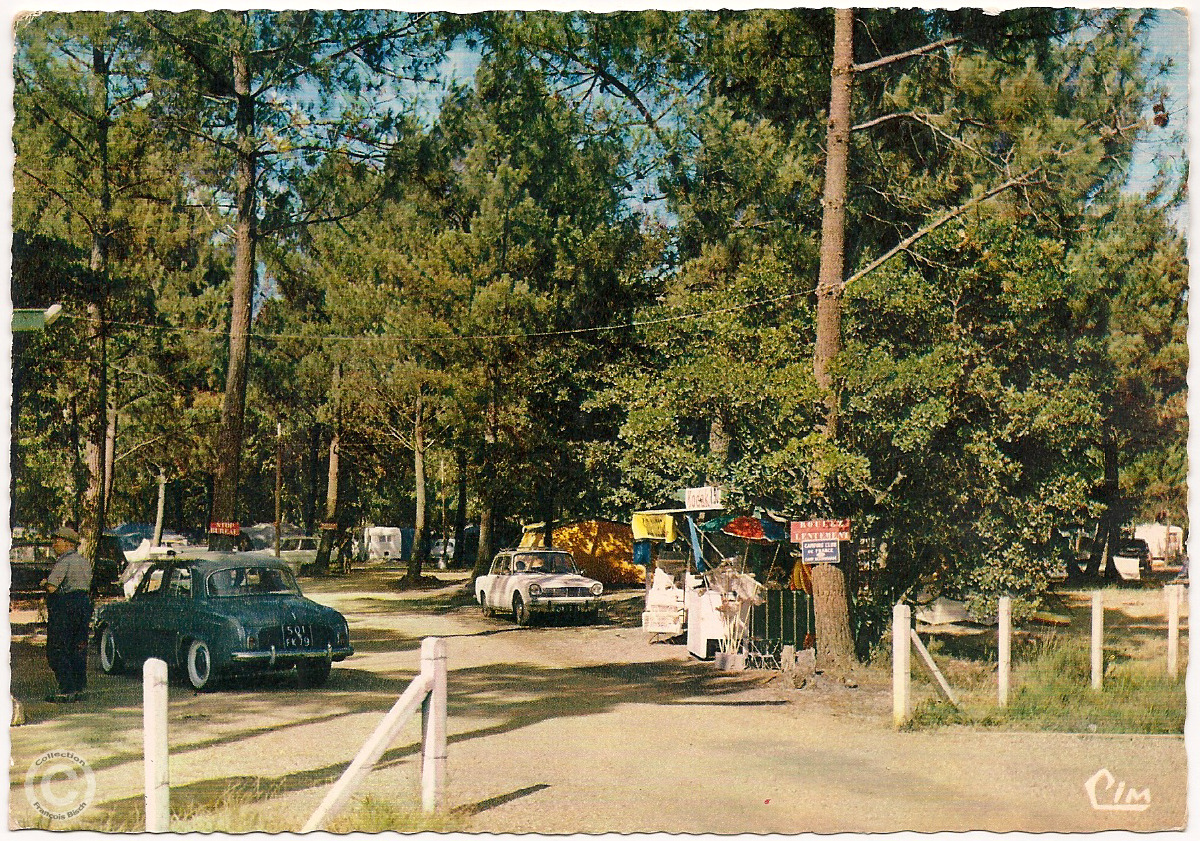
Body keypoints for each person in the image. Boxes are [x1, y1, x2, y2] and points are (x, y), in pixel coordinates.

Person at [42, 526, 92, 703]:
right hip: (84, 605)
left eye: (58, 540)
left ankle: (66, 689)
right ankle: (78, 687)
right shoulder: (84, 562)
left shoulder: (63, 562)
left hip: (65, 607)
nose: (54, 544)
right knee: (78, 647)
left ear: (68, 543)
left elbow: (53, 587)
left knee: (57, 648)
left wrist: (44, 583)